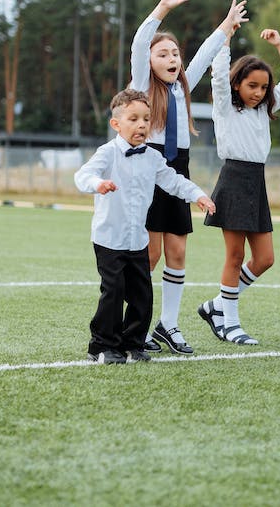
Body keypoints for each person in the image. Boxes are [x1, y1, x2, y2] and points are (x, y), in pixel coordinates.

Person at [129, 0, 247, 355]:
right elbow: (137, 44)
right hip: (148, 169)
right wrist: (161, 9)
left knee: (177, 253)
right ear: (148, 61)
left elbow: (204, 56)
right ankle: (138, 326)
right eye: (162, 53)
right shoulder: (142, 83)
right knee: (149, 255)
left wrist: (226, 27)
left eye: (174, 53)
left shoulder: (182, 85)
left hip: (178, 169)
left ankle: (169, 324)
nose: (172, 59)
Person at [75, 89, 214, 364]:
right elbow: (83, 175)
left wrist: (198, 194)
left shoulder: (152, 157)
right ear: (116, 124)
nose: (141, 125)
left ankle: (133, 343)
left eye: (146, 119)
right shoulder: (108, 153)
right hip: (109, 239)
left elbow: (173, 181)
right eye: (134, 119)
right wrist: (98, 184)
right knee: (113, 293)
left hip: (138, 240)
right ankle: (102, 346)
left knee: (142, 295)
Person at [197, 27, 280, 345]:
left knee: (265, 258)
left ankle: (217, 305)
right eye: (251, 85)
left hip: (256, 182)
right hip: (233, 179)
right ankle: (230, 323)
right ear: (237, 83)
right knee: (234, 256)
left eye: (263, 87)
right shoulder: (225, 108)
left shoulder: (264, 110)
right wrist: (226, 37)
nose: (257, 92)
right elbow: (217, 76)